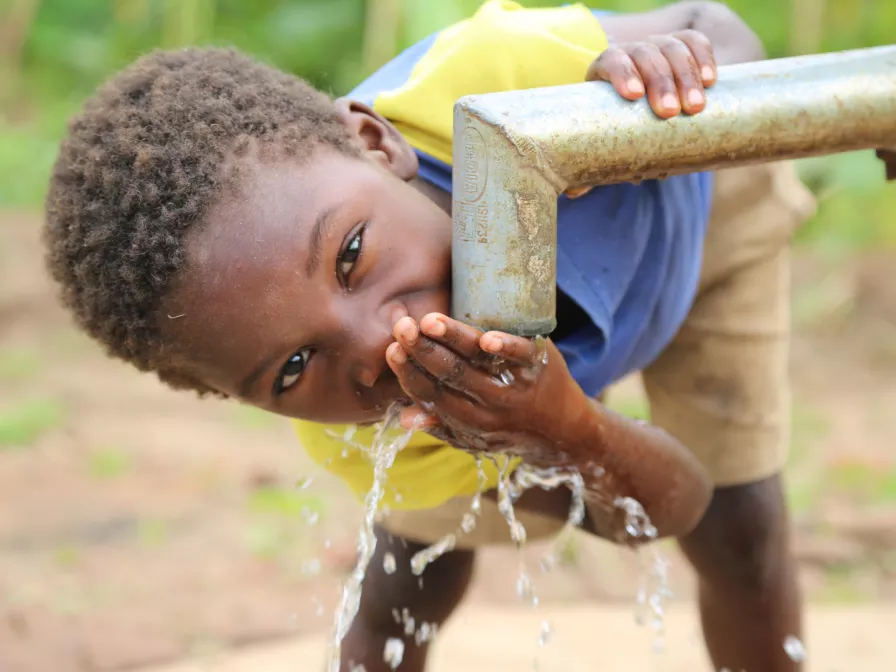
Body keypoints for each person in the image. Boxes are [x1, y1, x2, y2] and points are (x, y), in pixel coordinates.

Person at [42, 1, 894, 670]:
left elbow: (722, 28)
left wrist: (674, 74)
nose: (381, 341)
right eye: (296, 366)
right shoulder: (374, 433)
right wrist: (571, 434)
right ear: (229, 396)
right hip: (530, 396)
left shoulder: (500, 73)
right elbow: (637, 519)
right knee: (417, 566)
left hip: (700, 219)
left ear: (375, 144)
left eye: (350, 256)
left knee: (742, 528)